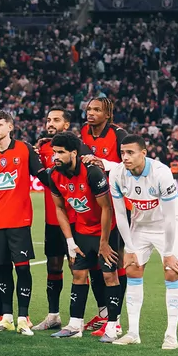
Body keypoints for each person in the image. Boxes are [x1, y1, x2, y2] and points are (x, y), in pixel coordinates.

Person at [109, 135, 178, 349]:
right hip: (140, 225)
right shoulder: (117, 173)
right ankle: (133, 332)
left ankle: (171, 335)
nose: (125, 157)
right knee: (132, 269)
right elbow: (120, 214)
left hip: (167, 226)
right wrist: (129, 248)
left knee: (171, 272)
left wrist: (169, 251)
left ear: (144, 153)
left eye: (130, 152)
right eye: (123, 153)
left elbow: (170, 217)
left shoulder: (161, 173)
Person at [48, 132, 123, 341]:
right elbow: (60, 209)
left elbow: (107, 208)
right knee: (78, 274)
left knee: (109, 276)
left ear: (74, 153)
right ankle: (74, 325)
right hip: (81, 231)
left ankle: (113, 326)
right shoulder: (54, 175)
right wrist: (70, 241)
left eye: (61, 152)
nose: (56, 156)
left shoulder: (92, 173)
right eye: (54, 152)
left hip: (106, 231)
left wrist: (105, 243)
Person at [0, 110, 49, 336]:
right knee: (1, 269)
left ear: (10, 127)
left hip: (19, 221)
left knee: (22, 269)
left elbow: (42, 175)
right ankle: (7, 317)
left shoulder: (24, 149)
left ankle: (23, 317)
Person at [80, 96, 129, 336]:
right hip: (94, 205)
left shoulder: (119, 135)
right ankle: (104, 316)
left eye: (97, 110)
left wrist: (104, 163)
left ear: (107, 115)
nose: (91, 113)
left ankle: (115, 320)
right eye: (89, 109)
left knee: (114, 262)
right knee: (96, 264)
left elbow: (130, 165)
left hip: (118, 206)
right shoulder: (84, 133)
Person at [33, 108, 75, 331]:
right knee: (54, 265)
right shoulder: (41, 148)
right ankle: (53, 316)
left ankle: (80, 318)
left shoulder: (73, 148)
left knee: (77, 266)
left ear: (66, 125)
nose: (50, 123)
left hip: (75, 218)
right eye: (48, 119)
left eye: (56, 120)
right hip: (52, 219)